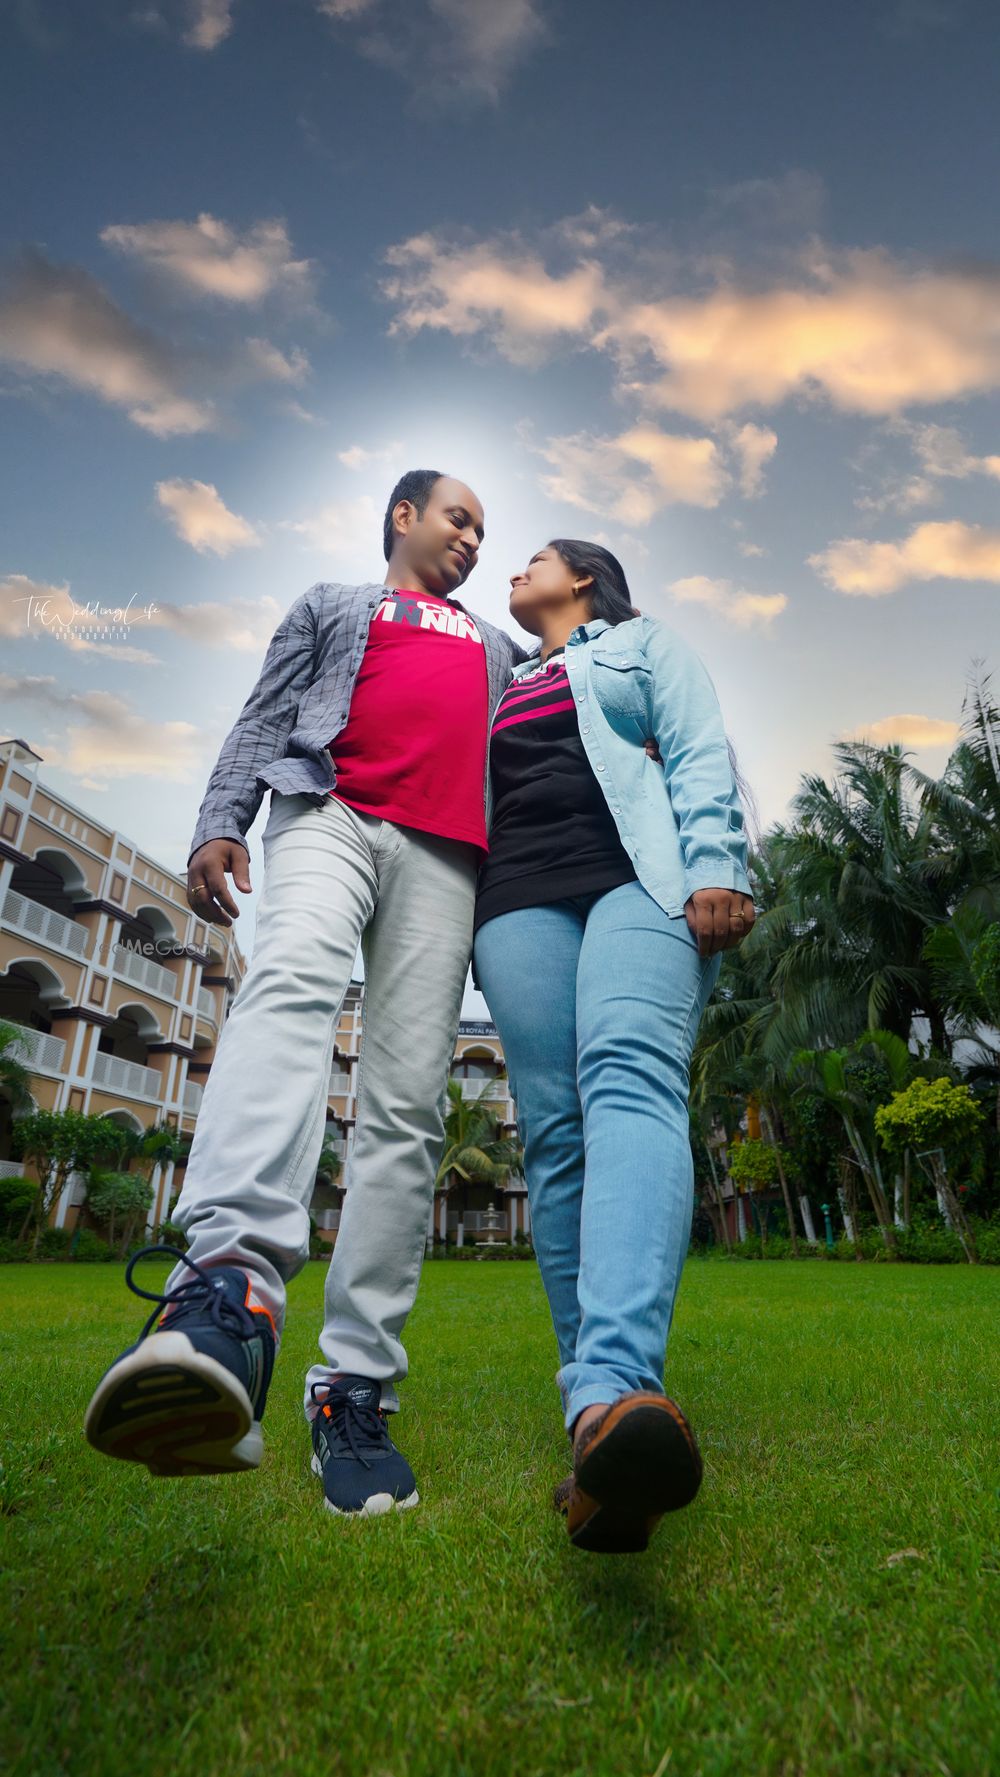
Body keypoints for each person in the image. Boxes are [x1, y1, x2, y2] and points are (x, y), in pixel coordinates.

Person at [84, 470, 527, 1518]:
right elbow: (265, 713)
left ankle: (353, 1384)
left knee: (409, 1102)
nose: (471, 538)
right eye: (457, 516)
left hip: (450, 859)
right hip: (330, 812)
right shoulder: (335, 603)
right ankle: (224, 1294)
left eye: (484, 528)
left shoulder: (499, 648)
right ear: (402, 516)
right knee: (285, 988)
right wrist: (217, 818)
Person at [471, 539, 755, 1555]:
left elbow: (695, 745)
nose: (512, 567)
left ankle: (618, 1382)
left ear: (583, 577)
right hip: (515, 904)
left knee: (628, 1078)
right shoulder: (500, 674)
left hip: (641, 875)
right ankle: (597, 1420)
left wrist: (715, 862)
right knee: (551, 1135)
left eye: (534, 556)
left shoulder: (639, 646)